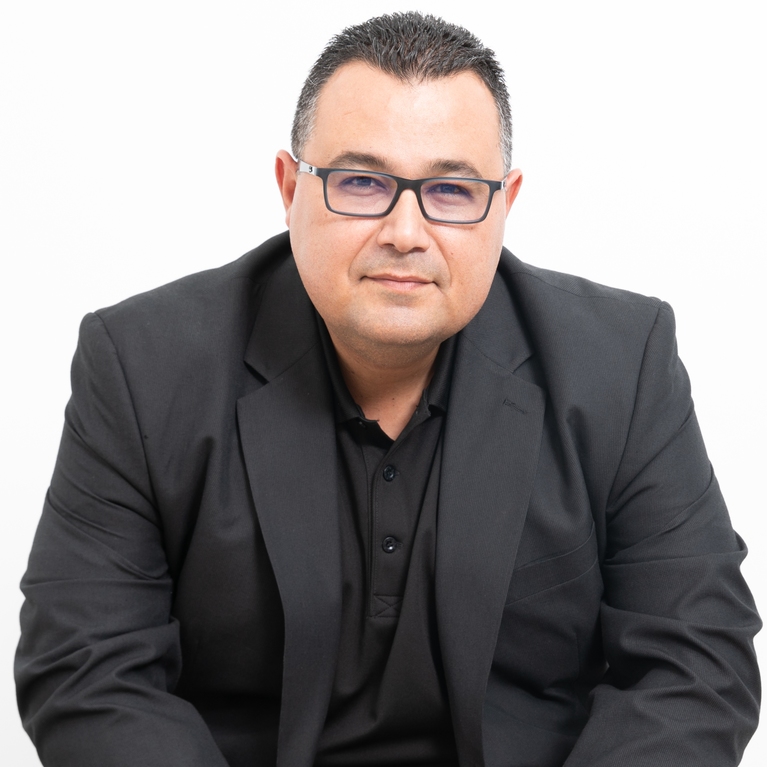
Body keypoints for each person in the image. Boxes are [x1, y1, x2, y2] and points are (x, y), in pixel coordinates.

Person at [15, 11, 760, 767]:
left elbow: (695, 660)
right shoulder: (143, 367)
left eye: (451, 189)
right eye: (361, 182)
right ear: (289, 187)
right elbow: (88, 668)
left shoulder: (620, 363)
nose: (405, 231)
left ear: (504, 204)